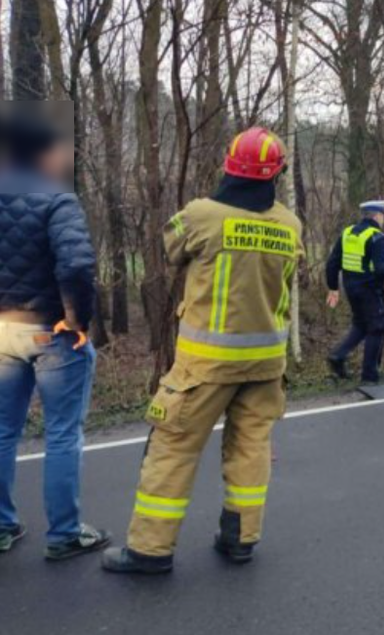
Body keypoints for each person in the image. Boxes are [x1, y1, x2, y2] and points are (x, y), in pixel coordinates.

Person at [102, 127, 304, 574]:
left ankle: (149, 551)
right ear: (277, 173)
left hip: (205, 368)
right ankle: (240, 540)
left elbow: (167, 247)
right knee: (250, 450)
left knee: (172, 450)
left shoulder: (201, 215)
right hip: (266, 366)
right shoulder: (290, 224)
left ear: (229, 167)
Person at [0, 105, 112, 560]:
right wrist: (78, 320)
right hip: (52, 332)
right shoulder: (57, 198)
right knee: (63, 432)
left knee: (3, 432)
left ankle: (2, 526)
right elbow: (78, 263)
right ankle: (64, 533)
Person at [325, 200, 384, 384]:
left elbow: (332, 263)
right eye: (382, 215)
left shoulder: (347, 233)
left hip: (351, 289)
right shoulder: (377, 238)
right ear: (376, 216)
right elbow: (381, 269)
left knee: (362, 325)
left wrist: (333, 288)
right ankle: (370, 376)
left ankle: (338, 356)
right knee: (379, 326)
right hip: (370, 290)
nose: (383, 219)